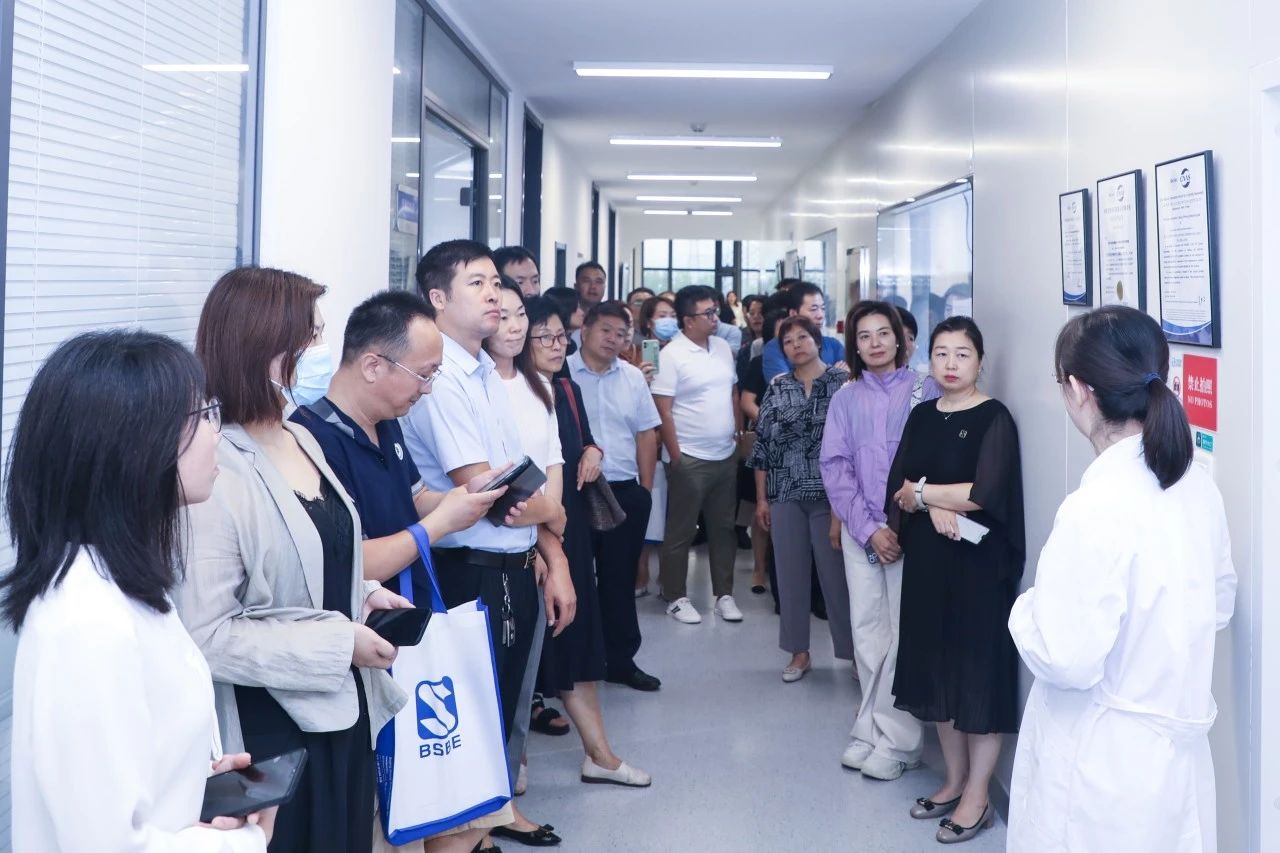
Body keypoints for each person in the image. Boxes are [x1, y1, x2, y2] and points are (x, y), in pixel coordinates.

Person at [7, 330, 272, 852]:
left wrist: (196, 785)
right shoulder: (87, 620)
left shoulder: (121, 582)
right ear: (137, 445)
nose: (217, 434)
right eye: (204, 415)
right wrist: (245, 842)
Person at [175, 267, 408, 853]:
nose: (322, 351)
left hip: (340, 708)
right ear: (263, 346)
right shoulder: (215, 466)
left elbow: (316, 553)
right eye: (312, 336)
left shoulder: (299, 436)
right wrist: (339, 643)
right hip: (272, 728)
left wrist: (362, 591)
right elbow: (206, 634)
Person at [288, 289, 521, 850]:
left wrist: (465, 497)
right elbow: (351, 561)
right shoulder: (311, 441)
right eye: (423, 374)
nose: (428, 389)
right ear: (373, 365)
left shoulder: (387, 422)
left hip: (411, 629)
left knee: (460, 815)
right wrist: (439, 526)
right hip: (368, 643)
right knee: (396, 813)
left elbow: (414, 499)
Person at [1006, 306, 1236, 852]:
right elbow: (1218, 604)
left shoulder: (1095, 507)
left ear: (1078, 390)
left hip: (1101, 765)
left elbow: (1066, 656)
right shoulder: (1196, 485)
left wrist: (1025, 608)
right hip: (1170, 758)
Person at [401, 240, 576, 848]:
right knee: (470, 721)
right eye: (477, 283)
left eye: (497, 283)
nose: (495, 295)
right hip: (469, 567)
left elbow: (520, 480)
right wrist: (555, 510)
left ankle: (482, 830)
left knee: (497, 711)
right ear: (438, 298)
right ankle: (469, 837)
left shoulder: (485, 373)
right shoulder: (443, 378)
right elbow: (492, 493)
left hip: (511, 562)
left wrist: (550, 544)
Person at [885, 316, 1024, 844]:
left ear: (980, 362)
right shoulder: (922, 415)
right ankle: (954, 780)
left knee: (976, 673)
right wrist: (928, 501)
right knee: (936, 670)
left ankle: (978, 795)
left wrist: (925, 496)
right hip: (928, 561)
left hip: (977, 567)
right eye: (941, 353)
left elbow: (984, 491)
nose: (950, 363)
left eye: (962, 354)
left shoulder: (994, 417)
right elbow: (898, 487)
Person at [522, 295, 653, 788]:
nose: (558, 345)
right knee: (522, 652)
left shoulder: (566, 388)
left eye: (561, 336)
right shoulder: (509, 392)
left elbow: (584, 438)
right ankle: (512, 763)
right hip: (529, 531)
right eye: (546, 337)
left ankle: (599, 755)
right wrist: (543, 540)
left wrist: (594, 450)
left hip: (569, 526)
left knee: (574, 636)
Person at [821, 301, 941, 782]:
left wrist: (896, 526)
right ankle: (870, 727)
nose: (874, 343)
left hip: (913, 531)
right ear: (854, 345)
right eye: (864, 336)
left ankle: (900, 741)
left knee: (902, 635)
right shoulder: (845, 398)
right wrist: (869, 528)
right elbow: (835, 467)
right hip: (862, 531)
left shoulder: (926, 390)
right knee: (868, 633)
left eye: (883, 333)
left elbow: (937, 461)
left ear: (900, 339)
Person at [749, 316, 854, 682]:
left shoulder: (842, 383)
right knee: (790, 575)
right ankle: (799, 652)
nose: (796, 344)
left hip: (831, 495)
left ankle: (854, 654)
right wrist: (761, 499)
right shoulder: (778, 387)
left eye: (802, 337)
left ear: (818, 341)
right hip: (785, 492)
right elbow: (763, 445)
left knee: (837, 577)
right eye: (788, 341)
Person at [569, 300, 663, 691]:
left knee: (619, 579)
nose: (613, 339)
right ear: (585, 330)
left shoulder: (632, 377)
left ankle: (621, 660)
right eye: (605, 330)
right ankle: (575, 663)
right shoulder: (561, 374)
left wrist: (645, 491)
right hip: (575, 492)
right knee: (574, 580)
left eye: (621, 334)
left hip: (624, 490)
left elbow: (646, 434)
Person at [653, 284, 744, 624]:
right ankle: (675, 596)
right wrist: (676, 456)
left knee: (724, 529)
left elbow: (733, 393)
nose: (715, 318)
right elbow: (663, 409)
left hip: (725, 454)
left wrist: (737, 435)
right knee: (681, 531)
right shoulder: (671, 355)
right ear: (688, 320)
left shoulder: (721, 347)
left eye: (715, 311)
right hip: (689, 456)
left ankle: (724, 595)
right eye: (708, 313)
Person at [635, 294, 680, 596]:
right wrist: (641, 377)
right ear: (649, 322)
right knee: (647, 510)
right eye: (662, 315)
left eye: (672, 315)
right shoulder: (633, 352)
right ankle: (640, 574)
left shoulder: (682, 352)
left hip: (674, 441)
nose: (668, 321)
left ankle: (668, 578)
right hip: (646, 442)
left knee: (671, 516)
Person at [763, 282, 845, 381]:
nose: (820, 315)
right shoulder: (775, 347)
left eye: (823, 308)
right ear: (793, 313)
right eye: (813, 309)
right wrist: (833, 376)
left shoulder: (834, 345)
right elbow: (783, 387)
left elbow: (850, 381)